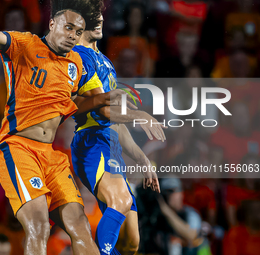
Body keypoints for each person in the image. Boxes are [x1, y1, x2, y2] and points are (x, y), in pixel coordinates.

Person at [0, 1, 108, 254]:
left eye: (78, 31)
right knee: (39, 226)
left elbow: (83, 101)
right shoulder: (26, 44)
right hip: (19, 149)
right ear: (52, 24)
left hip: (52, 155)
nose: (73, 35)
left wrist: (116, 103)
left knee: (80, 225)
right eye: (68, 27)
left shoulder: (76, 64)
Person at [71, 15, 165, 255]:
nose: (101, 19)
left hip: (110, 144)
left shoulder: (105, 62)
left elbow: (117, 124)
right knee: (120, 202)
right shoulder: (80, 57)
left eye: (102, 15)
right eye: (94, 16)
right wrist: (138, 115)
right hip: (92, 141)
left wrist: (143, 159)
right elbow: (103, 111)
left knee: (131, 243)